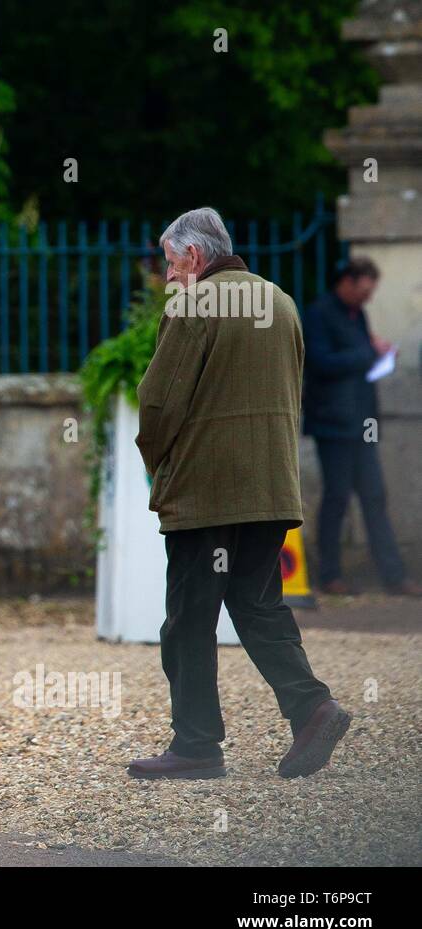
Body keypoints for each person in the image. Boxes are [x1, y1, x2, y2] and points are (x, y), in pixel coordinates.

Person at [129, 207, 349, 781]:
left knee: (189, 619)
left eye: (171, 265)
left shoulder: (193, 304)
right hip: (271, 486)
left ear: (194, 258)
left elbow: (159, 403)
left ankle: (197, 745)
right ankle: (313, 706)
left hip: (206, 493)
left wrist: (156, 460)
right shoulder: (280, 301)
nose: (168, 278)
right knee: (258, 603)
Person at [302, 258, 419, 596]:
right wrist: (368, 353)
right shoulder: (320, 313)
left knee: (374, 496)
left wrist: (374, 353)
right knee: (337, 497)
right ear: (347, 282)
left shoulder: (357, 315)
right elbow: (321, 363)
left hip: (362, 421)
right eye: (365, 290)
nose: (368, 298)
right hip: (333, 423)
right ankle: (329, 575)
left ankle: (393, 576)